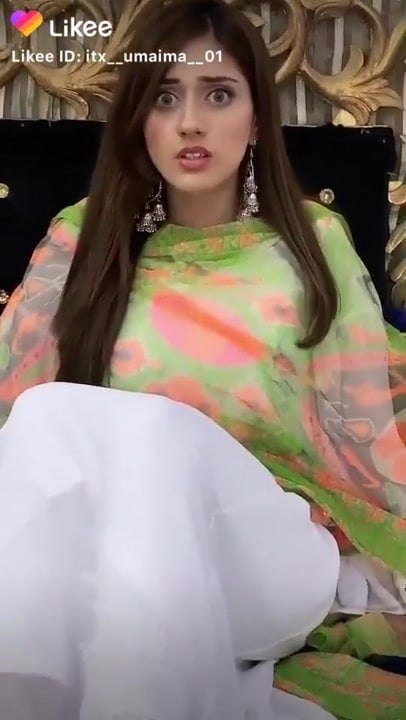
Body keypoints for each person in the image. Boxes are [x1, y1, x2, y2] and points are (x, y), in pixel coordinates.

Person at [0, 0, 404, 717]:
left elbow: (366, 435)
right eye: (165, 98)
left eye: (218, 95)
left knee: (157, 433)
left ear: (256, 119)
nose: (191, 122)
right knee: (50, 412)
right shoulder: (82, 242)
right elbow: (21, 419)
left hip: (275, 550)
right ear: (139, 121)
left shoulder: (312, 244)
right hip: (117, 556)